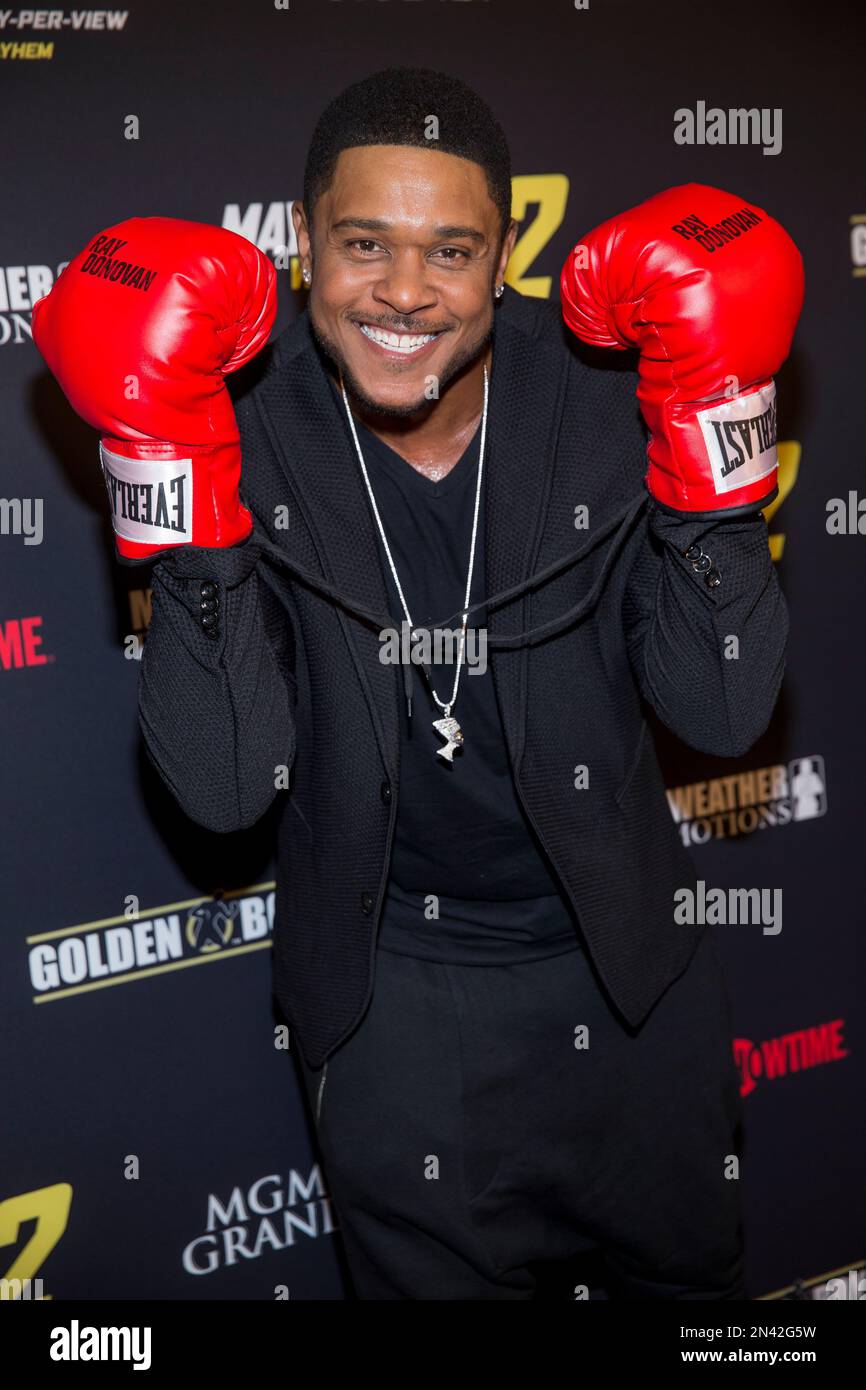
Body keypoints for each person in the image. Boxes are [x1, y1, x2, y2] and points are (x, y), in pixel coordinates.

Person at [32, 66, 803, 1300]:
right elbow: (227, 791)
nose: (403, 292)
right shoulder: (240, 421)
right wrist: (188, 521)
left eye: (450, 250)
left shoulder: (608, 394)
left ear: (505, 253)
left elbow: (718, 710)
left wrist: (714, 463)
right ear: (298, 247)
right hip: (393, 1011)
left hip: (629, 987)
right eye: (362, 244)